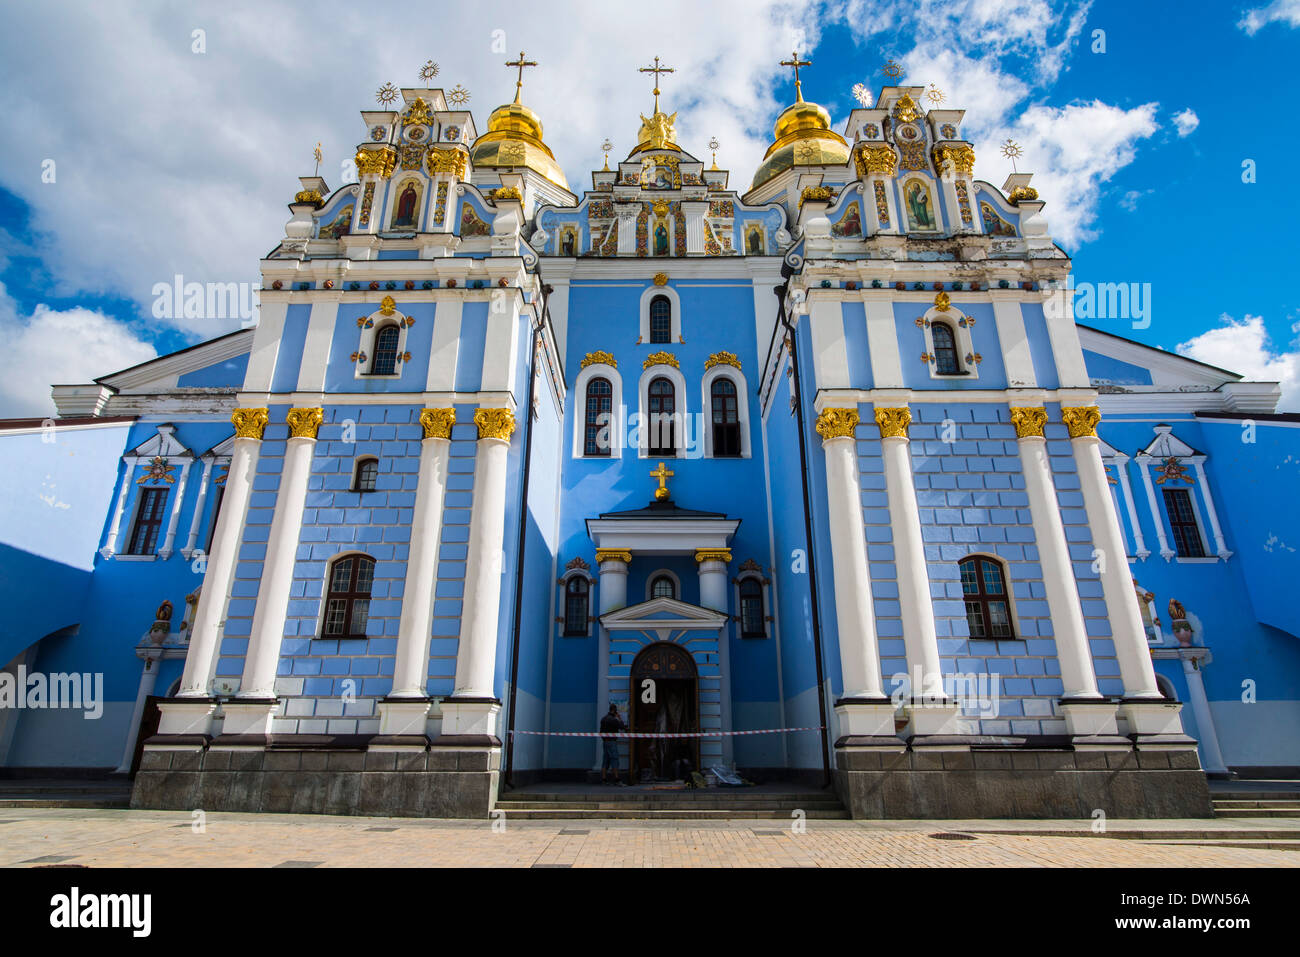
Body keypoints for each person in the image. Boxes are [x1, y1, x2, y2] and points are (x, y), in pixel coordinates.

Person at [599, 703, 627, 786]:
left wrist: (604, 739)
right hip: (612, 742)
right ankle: (617, 779)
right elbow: (622, 727)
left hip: (605, 742)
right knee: (615, 759)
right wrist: (619, 718)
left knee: (605, 760)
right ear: (614, 710)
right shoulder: (614, 720)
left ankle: (604, 779)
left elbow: (601, 732)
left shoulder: (603, 719)